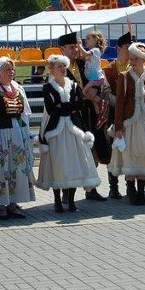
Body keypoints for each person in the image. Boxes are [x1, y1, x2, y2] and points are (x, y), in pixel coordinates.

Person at [36, 55, 100, 213]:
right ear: (51, 69)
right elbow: (51, 109)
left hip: (74, 130)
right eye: (59, 67)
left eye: (64, 66)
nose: (63, 69)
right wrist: (69, 106)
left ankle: (71, 201)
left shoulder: (73, 85)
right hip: (56, 131)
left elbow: (80, 104)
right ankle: (57, 200)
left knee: (74, 164)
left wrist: (64, 106)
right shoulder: (47, 88)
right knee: (57, 164)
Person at [110, 42, 145, 206]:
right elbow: (120, 103)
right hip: (130, 122)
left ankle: (141, 191)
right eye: (131, 58)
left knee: (143, 154)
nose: (132, 61)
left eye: (135, 58)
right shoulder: (124, 77)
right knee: (130, 155)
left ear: (143, 59)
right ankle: (131, 190)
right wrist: (119, 126)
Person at [0, 57, 35, 219]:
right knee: (0, 167)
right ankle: (1, 204)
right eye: (7, 69)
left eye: (12, 69)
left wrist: (26, 135)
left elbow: (24, 114)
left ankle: (14, 202)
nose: (11, 72)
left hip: (17, 133)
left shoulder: (18, 89)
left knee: (16, 167)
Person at [57, 32, 108, 202]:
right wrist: (83, 96)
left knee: (91, 151)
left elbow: (98, 79)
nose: (75, 49)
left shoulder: (83, 63)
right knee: (69, 154)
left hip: (88, 113)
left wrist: (96, 91)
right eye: (71, 47)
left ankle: (91, 188)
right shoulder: (58, 68)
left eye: (76, 46)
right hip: (69, 116)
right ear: (62, 49)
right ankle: (67, 191)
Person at [103, 31, 134, 199]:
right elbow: (106, 92)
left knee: (131, 151)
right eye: (126, 47)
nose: (129, 51)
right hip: (114, 115)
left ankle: (131, 186)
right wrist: (119, 103)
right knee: (113, 151)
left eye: (131, 48)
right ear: (118, 48)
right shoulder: (109, 69)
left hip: (132, 116)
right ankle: (113, 186)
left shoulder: (135, 68)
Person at [78, 30, 110, 129]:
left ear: (95, 40)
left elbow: (85, 54)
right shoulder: (92, 54)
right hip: (93, 79)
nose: (86, 40)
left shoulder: (95, 50)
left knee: (84, 92)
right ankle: (100, 116)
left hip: (95, 79)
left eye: (88, 38)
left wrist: (79, 45)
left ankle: (103, 103)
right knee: (92, 100)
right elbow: (83, 57)